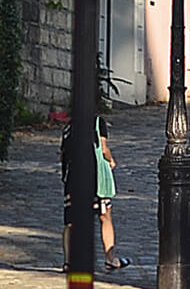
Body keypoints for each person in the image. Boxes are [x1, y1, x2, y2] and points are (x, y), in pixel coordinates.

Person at [62, 114, 129, 271]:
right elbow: (103, 149)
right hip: (95, 178)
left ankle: (68, 262)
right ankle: (110, 259)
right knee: (104, 216)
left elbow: (63, 154)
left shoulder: (69, 126)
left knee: (70, 222)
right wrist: (111, 160)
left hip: (73, 178)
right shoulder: (98, 122)